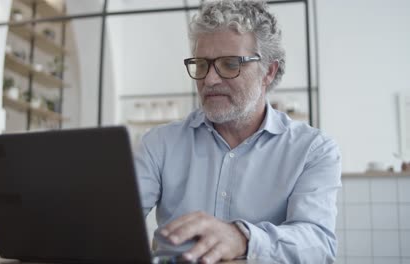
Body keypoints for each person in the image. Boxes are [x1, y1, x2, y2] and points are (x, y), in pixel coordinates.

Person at [134, 0, 341, 263]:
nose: (209, 79)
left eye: (230, 64)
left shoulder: (313, 149)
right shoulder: (158, 144)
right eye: (201, 64)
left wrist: (243, 238)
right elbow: (115, 224)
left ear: (268, 71)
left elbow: (318, 244)